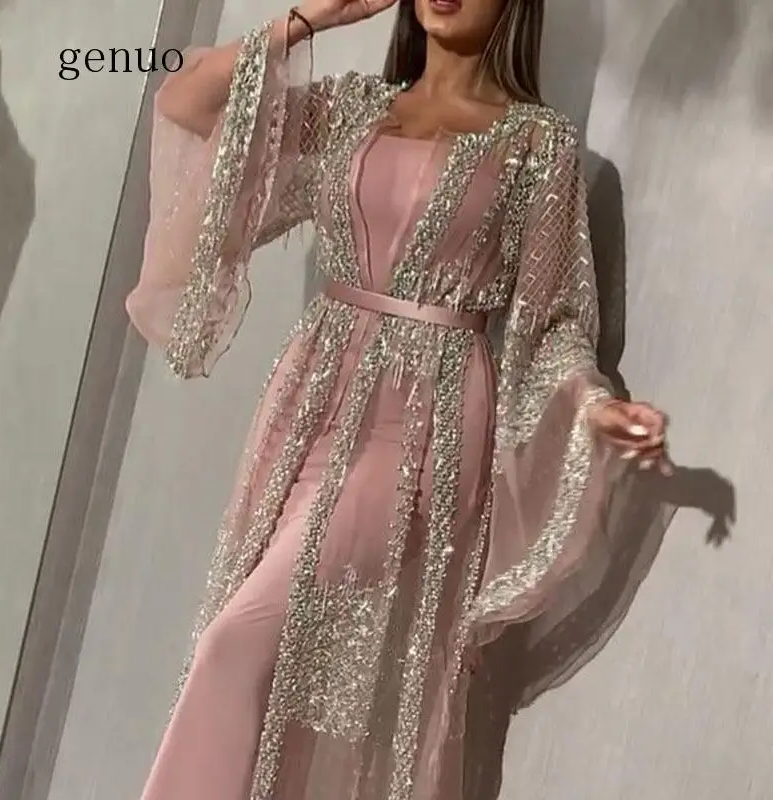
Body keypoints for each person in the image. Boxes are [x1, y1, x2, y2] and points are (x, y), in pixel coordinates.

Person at [126, 0, 671, 798]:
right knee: (276, 671)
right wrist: (313, 17)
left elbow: (551, 319)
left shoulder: (535, 143)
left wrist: (592, 406)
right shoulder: (352, 108)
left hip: (422, 426)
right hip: (309, 399)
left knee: (236, 644)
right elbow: (186, 101)